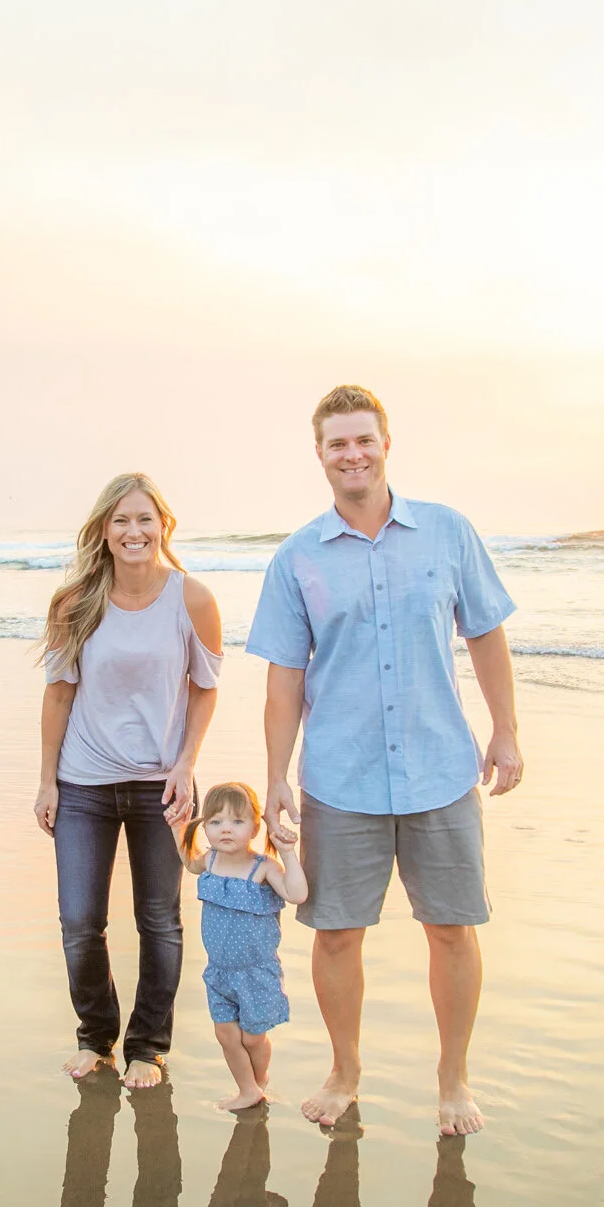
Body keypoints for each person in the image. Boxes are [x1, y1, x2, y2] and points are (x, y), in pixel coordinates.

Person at [247, 384, 523, 1137]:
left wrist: (505, 730)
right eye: (338, 443)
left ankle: (453, 1078)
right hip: (342, 778)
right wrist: (275, 776)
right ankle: (344, 1070)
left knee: (451, 928)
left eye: (363, 439)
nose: (353, 454)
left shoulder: (446, 532)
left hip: (441, 770)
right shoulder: (297, 558)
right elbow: (284, 677)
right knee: (336, 932)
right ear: (319, 454)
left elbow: (485, 633)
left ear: (386, 443)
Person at [36, 472, 225, 1090]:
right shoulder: (75, 602)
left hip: (161, 787)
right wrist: (47, 782)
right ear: (104, 530)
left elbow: (205, 688)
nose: (134, 531)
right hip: (83, 785)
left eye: (145, 519)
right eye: (121, 520)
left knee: (159, 921)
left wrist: (187, 762)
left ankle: (148, 1047)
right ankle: (95, 1039)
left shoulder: (192, 599)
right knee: (79, 921)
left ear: (163, 525)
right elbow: (58, 694)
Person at [180, 782, 307, 1112]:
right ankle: (247, 1089)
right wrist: (176, 829)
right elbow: (189, 863)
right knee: (226, 1035)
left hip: (257, 973)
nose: (226, 829)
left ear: (254, 828)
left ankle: (259, 1081)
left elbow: (297, 894)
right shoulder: (210, 861)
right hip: (219, 972)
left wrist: (288, 852)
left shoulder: (263, 867)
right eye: (216, 821)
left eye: (237, 821)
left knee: (252, 1037)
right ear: (205, 826)